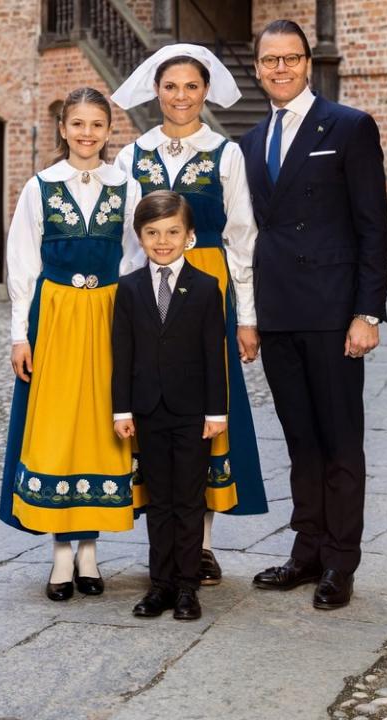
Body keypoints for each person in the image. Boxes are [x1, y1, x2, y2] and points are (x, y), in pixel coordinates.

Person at [239, 20, 387, 609]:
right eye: (270, 60)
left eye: (291, 58)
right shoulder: (251, 143)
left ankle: (340, 563)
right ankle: (306, 551)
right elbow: (249, 233)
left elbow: (371, 226)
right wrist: (249, 314)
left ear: (308, 63)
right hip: (278, 313)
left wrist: (367, 313)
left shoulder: (348, 127)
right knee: (299, 439)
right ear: (257, 68)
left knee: (339, 439)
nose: (281, 68)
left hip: (332, 312)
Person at [112, 44, 268, 586]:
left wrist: (246, 316)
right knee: (154, 406)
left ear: (205, 92)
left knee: (205, 410)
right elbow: (129, 245)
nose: (181, 97)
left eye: (191, 87)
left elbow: (242, 238)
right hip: (148, 294)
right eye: (171, 86)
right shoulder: (133, 156)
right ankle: (162, 539)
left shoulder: (226, 154)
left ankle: (199, 544)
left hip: (209, 289)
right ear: (157, 91)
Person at [0, 87, 145, 602]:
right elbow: (23, 265)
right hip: (55, 317)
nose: (87, 134)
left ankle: (90, 551)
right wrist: (21, 333)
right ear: (62, 128)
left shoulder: (126, 187)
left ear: (110, 131)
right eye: (77, 124)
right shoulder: (40, 188)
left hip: (107, 314)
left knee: (103, 427)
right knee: (58, 427)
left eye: (96, 125)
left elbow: (135, 259)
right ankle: (61, 555)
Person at [111, 191, 227, 621]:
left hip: (193, 412)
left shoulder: (205, 288)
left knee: (188, 500)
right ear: (140, 237)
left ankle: (186, 587)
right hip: (147, 410)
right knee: (158, 500)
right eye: (153, 233)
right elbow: (121, 354)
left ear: (189, 236)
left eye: (173, 232)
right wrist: (121, 411)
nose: (163, 241)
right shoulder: (128, 288)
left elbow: (214, 355)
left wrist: (217, 412)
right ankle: (159, 585)